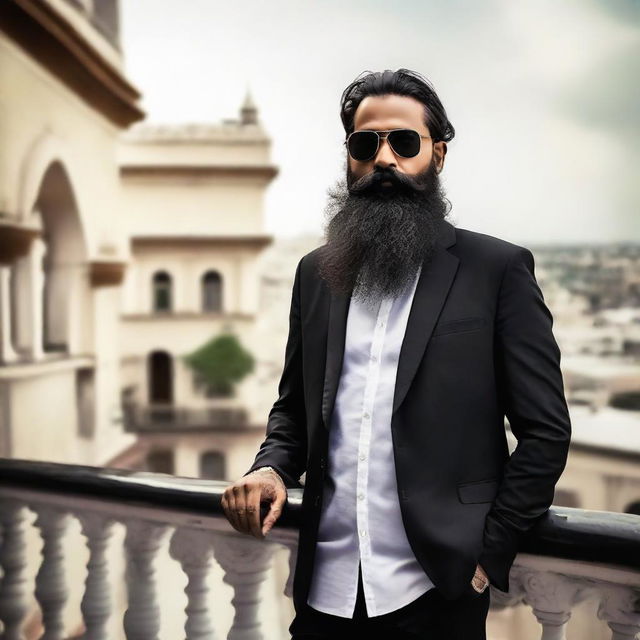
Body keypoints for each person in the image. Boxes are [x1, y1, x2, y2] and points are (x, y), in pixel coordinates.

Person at [222, 68, 572, 640]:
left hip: (437, 593)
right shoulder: (316, 274)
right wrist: (271, 467)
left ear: (437, 154)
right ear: (350, 157)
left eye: (403, 143)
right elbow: (294, 409)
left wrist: (484, 559)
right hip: (324, 593)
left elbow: (545, 431)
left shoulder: (496, 270)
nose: (384, 158)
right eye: (366, 144)